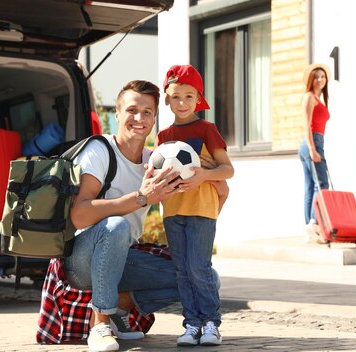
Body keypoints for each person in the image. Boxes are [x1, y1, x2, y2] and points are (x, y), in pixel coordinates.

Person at [64, 80, 184, 352]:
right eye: (132, 110)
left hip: (124, 255)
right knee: (115, 226)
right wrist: (140, 198)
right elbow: (79, 216)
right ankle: (100, 324)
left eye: (147, 112)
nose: (139, 118)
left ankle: (119, 307)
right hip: (81, 259)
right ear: (116, 115)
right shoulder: (100, 150)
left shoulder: (156, 160)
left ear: (154, 118)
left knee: (204, 276)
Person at [155, 64, 234, 346]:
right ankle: (191, 324)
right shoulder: (163, 136)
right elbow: (155, 172)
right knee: (182, 270)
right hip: (173, 211)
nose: (183, 103)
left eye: (189, 96)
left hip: (202, 209)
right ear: (167, 98)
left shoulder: (207, 129)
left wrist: (204, 175)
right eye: (176, 96)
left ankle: (211, 322)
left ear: (199, 98)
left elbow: (228, 170)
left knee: (199, 267)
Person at [298, 63, 331, 244]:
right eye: (316, 77)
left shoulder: (319, 98)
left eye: (323, 77)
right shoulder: (309, 97)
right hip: (312, 143)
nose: (320, 80)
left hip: (315, 142)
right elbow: (306, 124)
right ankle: (314, 223)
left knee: (310, 186)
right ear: (311, 80)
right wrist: (312, 149)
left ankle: (309, 227)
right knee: (322, 185)